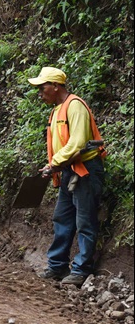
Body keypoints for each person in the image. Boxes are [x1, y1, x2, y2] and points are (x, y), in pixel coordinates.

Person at [28, 66, 107, 287]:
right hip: (68, 170)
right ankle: (57, 266)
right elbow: (65, 146)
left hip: (86, 170)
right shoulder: (56, 111)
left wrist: (54, 164)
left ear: (56, 86)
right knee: (62, 218)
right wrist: (53, 165)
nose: (40, 93)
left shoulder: (75, 106)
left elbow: (78, 143)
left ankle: (81, 270)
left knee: (84, 221)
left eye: (43, 87)